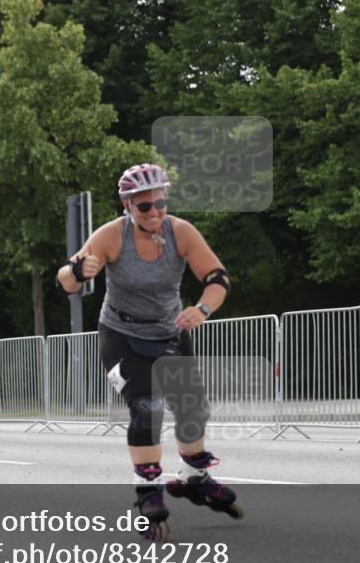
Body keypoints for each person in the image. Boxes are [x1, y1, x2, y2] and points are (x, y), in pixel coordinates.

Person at [56, 163, 241, 541]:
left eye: (160, 203)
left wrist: (202, 308)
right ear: (127, 205)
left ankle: (193, 476)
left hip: (169, 331)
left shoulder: (181, 232)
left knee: (193, 409)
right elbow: (65, 281)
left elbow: (218, 278)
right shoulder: (112, 235)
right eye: (144, 207)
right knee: (147, 406)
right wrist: (78, 271)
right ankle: (148, 491)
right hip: (121, 334)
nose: (154, 212)